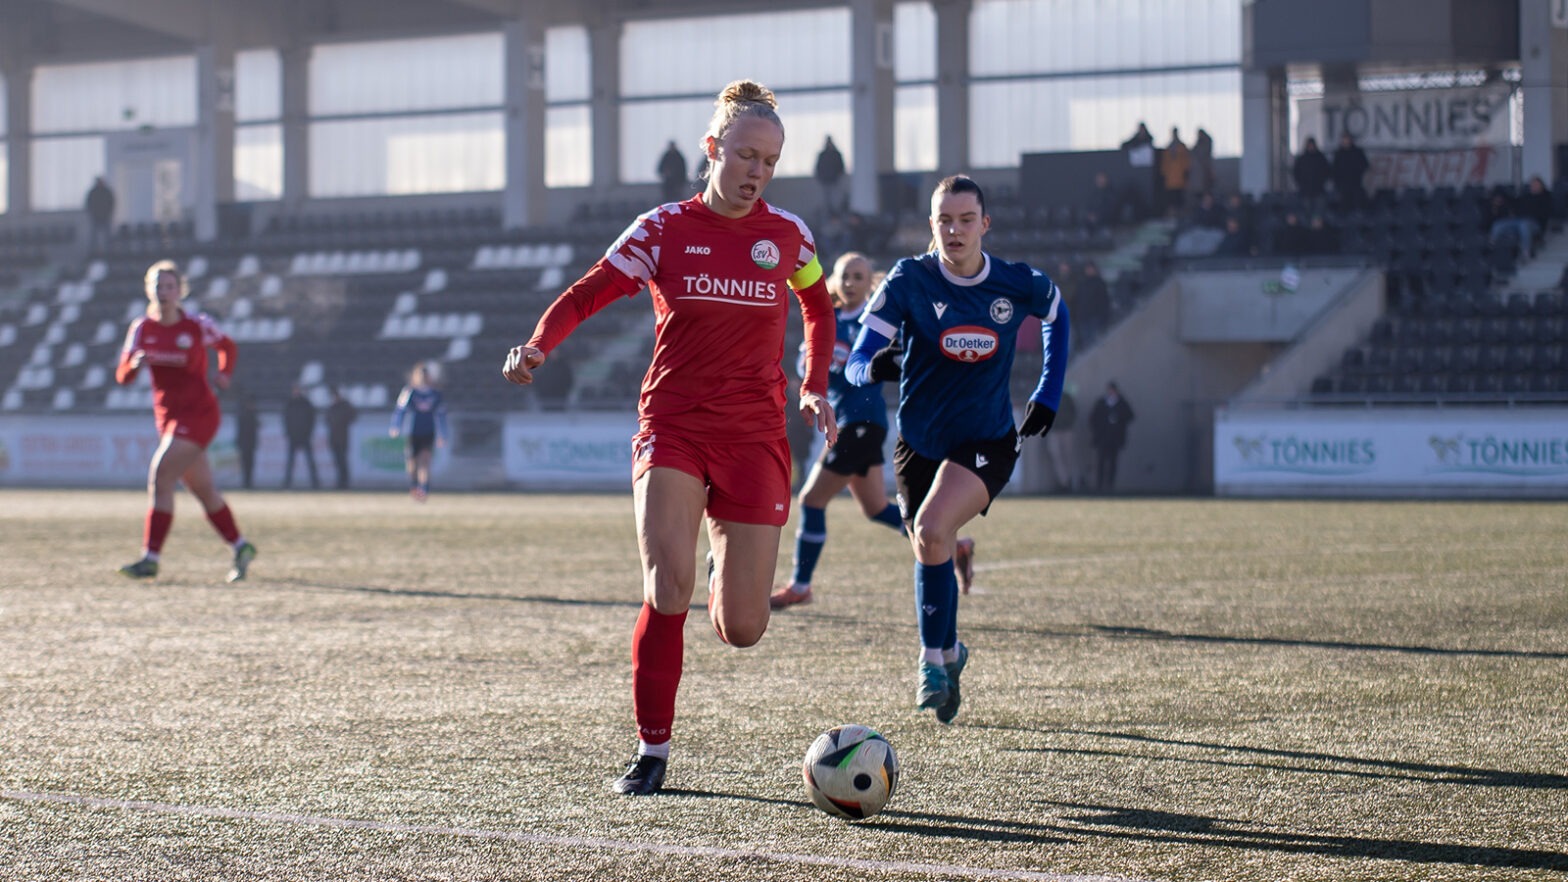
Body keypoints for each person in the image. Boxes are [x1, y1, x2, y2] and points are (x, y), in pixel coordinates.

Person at [502, 80, 839, 796]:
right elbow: (590, 290)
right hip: (674, 427)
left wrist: (814, 384)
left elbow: (817, 303)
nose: (756, 171)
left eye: (770, 162)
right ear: (712, 148)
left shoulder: (790, 236)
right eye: (745, 155)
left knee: (743, 628)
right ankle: (652, 750)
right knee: (665, 587)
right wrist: (538, 345)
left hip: (755, 438)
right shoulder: (660, 229)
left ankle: (724, 568)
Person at [844, 174, 1070, 724]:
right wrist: (874, 367)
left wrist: (1048, 391)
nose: (955, 230)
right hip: (918, 443)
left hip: (986, 440)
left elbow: (1058, 315)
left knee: (930, 528)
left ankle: (929, 663)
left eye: (966, 219)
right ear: (931, 224)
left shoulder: (1016, 282)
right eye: (944, 220)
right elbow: (856, 361)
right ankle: (950, 655)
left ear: (985, 224)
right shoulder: (909, 279)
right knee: (931, 544)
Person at [769, 252, 975, 610]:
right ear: (834, 280)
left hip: (862, 423)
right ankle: (955, 546)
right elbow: (805, 366)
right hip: (849, 424)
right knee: (876, 507)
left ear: (870, 284)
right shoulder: (826, 320)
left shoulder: (874, 324)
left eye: (859, 277)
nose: (850, 283)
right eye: (845, 276)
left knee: (811, 499)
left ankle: (800, 585)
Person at [115, 259, 257, 583]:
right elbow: (122, 376)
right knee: (203, 489)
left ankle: (150, 558)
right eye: (158, 286)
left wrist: (224, 373)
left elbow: (227, 346)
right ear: (148, 290)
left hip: (199, 413)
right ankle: (241, 546)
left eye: (169, 286)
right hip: (167, 417)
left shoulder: (196, 325)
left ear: (180, 291)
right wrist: (134, 365)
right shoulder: (141, 328)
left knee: (161, 474)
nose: (163, 292)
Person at [390, 362, 449, 501]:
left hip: (428, 431)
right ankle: (414, 485)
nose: (422, 377)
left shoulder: (435, 394)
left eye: (425, 375)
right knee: (412, 463)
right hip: (412, 432)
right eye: (420, 375)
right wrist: (396, 426)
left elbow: (441, 414)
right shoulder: (409, 392)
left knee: (425, 461)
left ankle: (424, 489)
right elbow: (400, 410)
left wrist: (443, 434)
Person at [1088, 380, 1134, 492]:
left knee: (1113, 461)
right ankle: (1099, 485)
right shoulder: (1101, 402)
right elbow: (1093, 418)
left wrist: (1118, 418)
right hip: (1103, 436)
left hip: (1115, 437)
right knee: (1101, 461)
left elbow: (1130, 416)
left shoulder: (1122, 403)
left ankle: (1110, 485)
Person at [282, 384, 319, 489]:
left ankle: (315, 482)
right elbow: (285, 419)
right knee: (290, 461)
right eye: (295, 389)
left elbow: (312, 419)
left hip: (304, 436)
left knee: (310, 460)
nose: (296, 391)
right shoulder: (289, 403)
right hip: (293, 436)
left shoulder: (306, 403)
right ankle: (287, 483)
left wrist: (308, 432)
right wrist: (289, 433)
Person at [1043, 386, 1079, 493]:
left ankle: (1072, 481)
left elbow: (1073, 412)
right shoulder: (1048, 397)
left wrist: (1068, 423)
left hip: (1066, 430)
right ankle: (1064, 481)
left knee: (1068, 456)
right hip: (1054, 430)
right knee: (1056, 455)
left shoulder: (1067, 397)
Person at [325, 386, 358, 490]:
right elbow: (327, 420)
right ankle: (340, 482)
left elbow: (353, 416)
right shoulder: (332, 408)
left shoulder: (344, 407)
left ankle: (344, 482)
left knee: (343, 461)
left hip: (342, 439)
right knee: (337, 462)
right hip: (334, 439)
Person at [1331, 133, 1370, 211]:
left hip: (1355, 183)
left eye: (1347, 139)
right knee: (1344, 205)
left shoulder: (1358, 152)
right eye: (1344, 139)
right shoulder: (1339, 153)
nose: (1346, 141)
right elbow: (1334, 169)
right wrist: (1336, 182)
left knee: (1358, 203)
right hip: (1343, 185)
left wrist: (1357, 172)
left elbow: (1365, 165)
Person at [1159, 128, 1191, 217]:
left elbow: (1186, 162)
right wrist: (1164, 174)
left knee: (1179, 198)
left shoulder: (1182, 147)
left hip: (1180, 179)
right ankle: (1173, 214)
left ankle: (1179, 214)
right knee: (1171, 199)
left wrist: (1186, 173)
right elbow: (1165, 163)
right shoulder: (1168, 148)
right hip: (1170, 180)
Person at [232, 388, 259, 490]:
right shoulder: (246, 415)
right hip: (246, 442)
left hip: (248, 442)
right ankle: (246, 482)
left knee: (249, 463)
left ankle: (248, 482)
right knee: (246, 463)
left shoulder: (249, 414)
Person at [814, 135, 846, 220]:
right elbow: (818, 168)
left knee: (836, 202)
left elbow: (841, 167)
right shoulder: (823, 155)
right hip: (825, 182)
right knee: (826, 203)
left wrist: (838, 177)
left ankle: (836, 217)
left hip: (834, 182)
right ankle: (828, 217)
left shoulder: (836, 154)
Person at [1292, 137, 1331, 205]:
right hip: (1305, 191)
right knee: (1306, 208)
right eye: (1309, 145)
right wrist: (1301, 184)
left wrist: (1321, 183)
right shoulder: (1302, 159)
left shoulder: (1321, 158)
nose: (1311, 147)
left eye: (1312, 145)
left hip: (1319, 191)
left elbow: (1327, 171)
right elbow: (1296, 172)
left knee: (1319, 209)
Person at [85, 176, 115, 254]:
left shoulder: (107, 192)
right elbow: (88, 204)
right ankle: (93, 252)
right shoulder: (93, 192)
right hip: (96, 217)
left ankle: (109, 251)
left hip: (105, 217)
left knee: (107, 236)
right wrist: (92, 213)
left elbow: (111, 203)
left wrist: (108, 213)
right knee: (94, 236)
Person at [657, 140, 688, 205]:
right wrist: (666, 173)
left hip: (677, 183)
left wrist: (682, 181)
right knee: (667, 200)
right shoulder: (666, 156)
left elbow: (683, 170)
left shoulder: (679, 157)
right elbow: (660, 168)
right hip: (668, 183)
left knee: (677, 200)